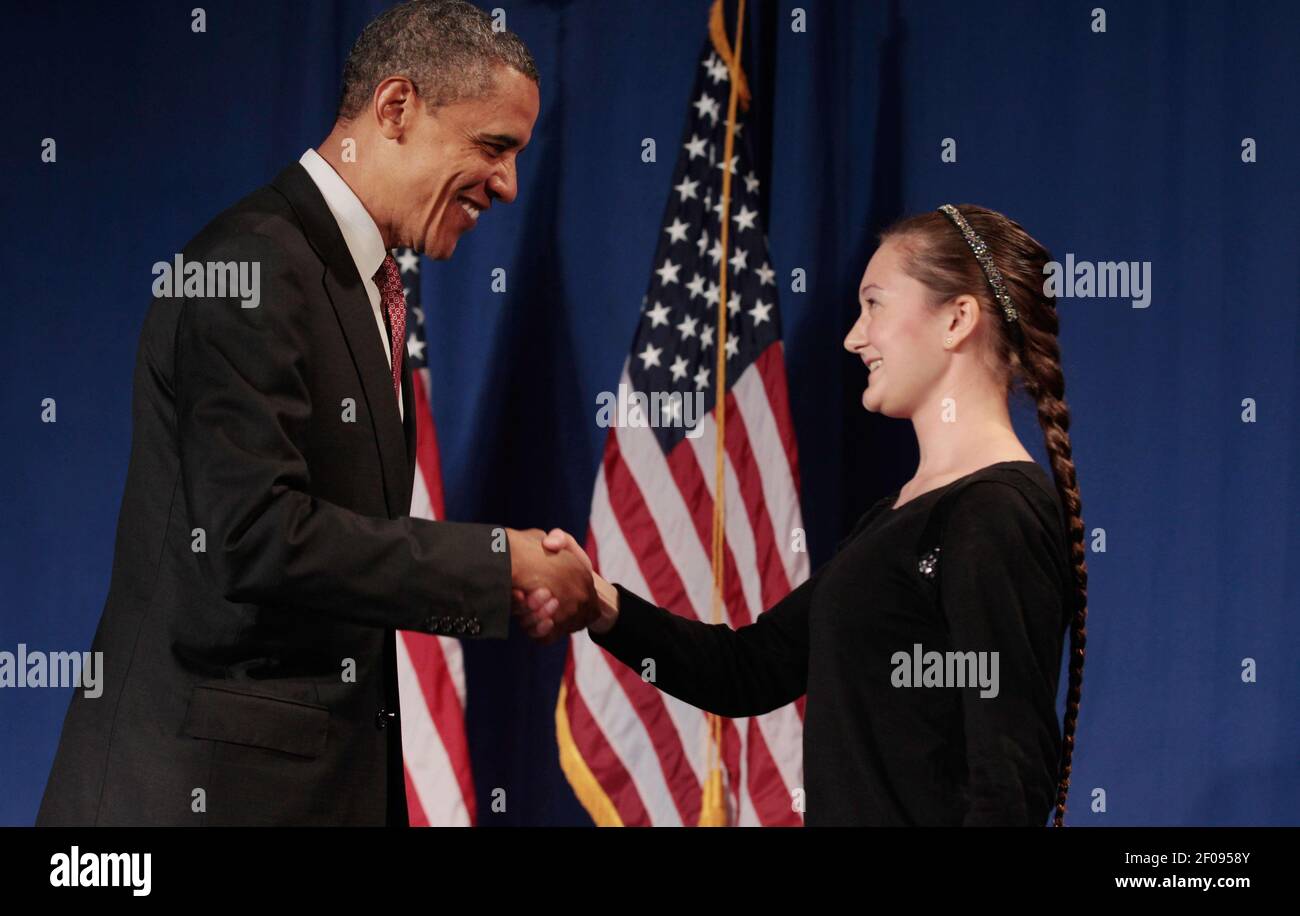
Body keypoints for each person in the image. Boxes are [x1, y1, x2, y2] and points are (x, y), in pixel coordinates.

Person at [37, 0, 595, 828]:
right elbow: (253, 538)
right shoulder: (249, 265)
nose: (509, 185)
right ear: (396, 108)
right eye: (493, 147)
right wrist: (492, 564)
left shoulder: (358, 281)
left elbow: (336, 554)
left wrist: (494, 582)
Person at [517, 204, 1091, 826]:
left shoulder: (994, 513)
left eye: (875, 304)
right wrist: (598, 602)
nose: (854, 336)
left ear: (957, 319)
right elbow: (749, 671)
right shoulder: (898, 517)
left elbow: (1008, 783)